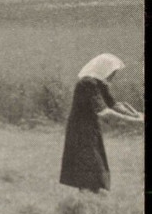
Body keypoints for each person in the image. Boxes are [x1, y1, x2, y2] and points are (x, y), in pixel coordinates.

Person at [60, 54, 143, 193]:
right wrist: (136, 121)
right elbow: (105, 113)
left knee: (94, 163)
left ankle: (91, 198)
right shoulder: (87, 83)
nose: (113, 76)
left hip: (91, 128)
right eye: (112, 72)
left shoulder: (100, 84)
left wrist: (135, 114)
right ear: (104, 69)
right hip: (80, 130)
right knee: (89, 163)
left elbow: (115, 105)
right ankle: (88, 200)